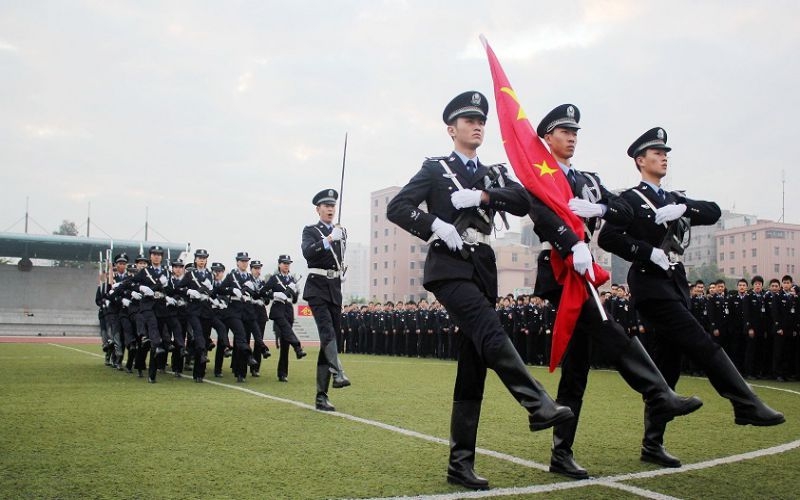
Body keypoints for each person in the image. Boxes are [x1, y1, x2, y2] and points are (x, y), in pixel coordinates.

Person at [387, 91, 574, 490]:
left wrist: (484, 196)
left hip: (483, 266)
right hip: (449, 265)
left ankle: (460, 464)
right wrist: (435, 225)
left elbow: (521, 200)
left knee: (473, 364)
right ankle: (537, 403)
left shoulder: (494, 172)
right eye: (469, 121)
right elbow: (398, 207)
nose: (477, 126)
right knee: (490, 330)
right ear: (451, 129)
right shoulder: (435, 169)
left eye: (481, 122)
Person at [526, 106, 702, 479]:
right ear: (547, 137)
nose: (572, 137)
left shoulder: (588, 179)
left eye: (575, 131)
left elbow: (623, 211)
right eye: (564, 131)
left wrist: (601, 206)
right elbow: (541, 216)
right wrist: (570, 243)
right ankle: (658, 393)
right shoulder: (540, 174)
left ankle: (561, 453)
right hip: (559, 268)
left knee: (577, 368)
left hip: (584, 270)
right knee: (607, 326)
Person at [598, 126, 785, 467]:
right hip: (651, 286)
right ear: (640, 161)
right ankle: (745, 402)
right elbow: (608, 238)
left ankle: (652, 444)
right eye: (656, 153)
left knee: (666, 368)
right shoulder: (629, 200)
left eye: (665, 153)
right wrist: (646, 252)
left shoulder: (673, 198)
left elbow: (713, 211)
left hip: (675, 285)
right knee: (700, 341)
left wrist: (682, 206)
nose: (663, 157)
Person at [302, 189, 351, 412]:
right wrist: (330, 238)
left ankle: (321, 397)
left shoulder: (342, 232)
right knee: (327, 332)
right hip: (317, 288)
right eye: (326, 206)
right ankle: (338, 372)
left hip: (334, 288)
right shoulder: (311, 231)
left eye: (333, 206)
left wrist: (341, 272)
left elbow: (338, 259)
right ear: (318, 209)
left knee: (331, 340)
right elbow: (308, 253)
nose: (330, 209)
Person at [263, 254, 307, 382]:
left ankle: (282, 373)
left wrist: (295, 291)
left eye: (288, 263)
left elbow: (294, 300)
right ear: (279, 264)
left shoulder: (292, 280)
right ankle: (297, 347)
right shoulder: (274, 278)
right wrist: (275, 294)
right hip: (278, 308)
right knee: (287, 329)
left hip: (288, 309)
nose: (286, 265)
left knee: (285, 343)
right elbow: (263, 292)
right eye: (284, 263)